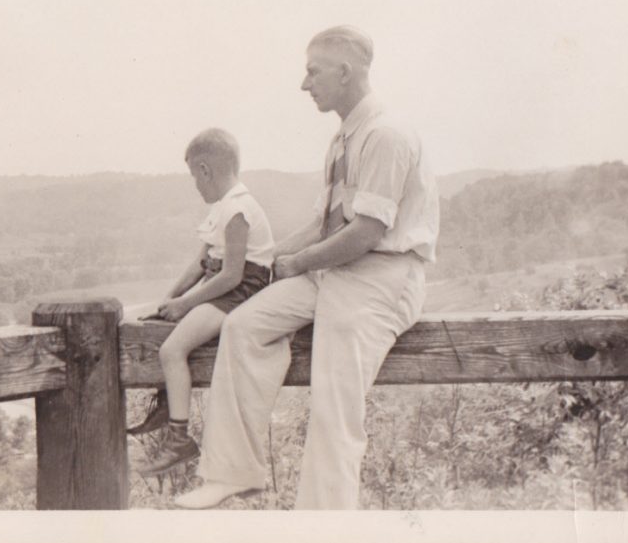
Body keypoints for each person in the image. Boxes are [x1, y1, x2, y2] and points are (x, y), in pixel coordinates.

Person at [174, 26, 440, 509]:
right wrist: (275, 259)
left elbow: (366, 234)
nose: (304, 84)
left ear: (346, 71)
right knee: (244, 325)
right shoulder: (344, 137)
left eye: (313, 71)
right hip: (337, 270)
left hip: (383, 279)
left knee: (334, 408)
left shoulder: (385, 134)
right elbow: (327, 225)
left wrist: (294, 263)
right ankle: (234, 472)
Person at [128, 128, 275, 477]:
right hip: (221, 287)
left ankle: (180, 438)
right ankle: (167, 404)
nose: (195, 185)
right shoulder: (224, 206)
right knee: (159, 325)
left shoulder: (237, 209)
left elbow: (232, 275)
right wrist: (170, 300)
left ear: (206, 170)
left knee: (171, 350)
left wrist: (185, 305)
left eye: (195, 175)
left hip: (238, 293)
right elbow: (201, 263)